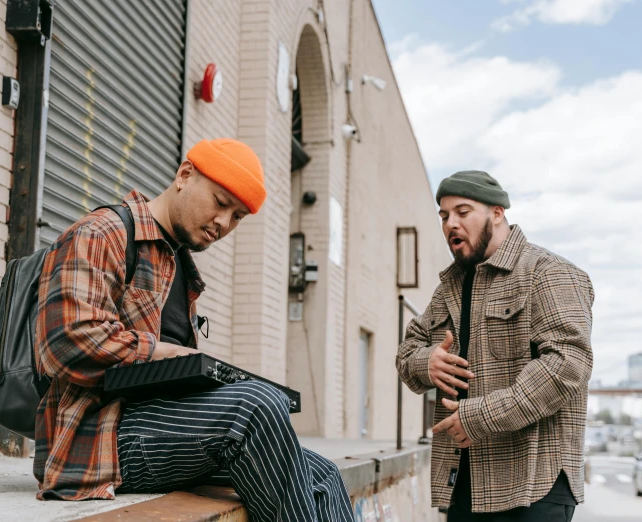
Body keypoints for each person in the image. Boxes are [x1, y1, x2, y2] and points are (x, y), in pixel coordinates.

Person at [34, 138, 355, 522]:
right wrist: (164, 352)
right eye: (221, 203)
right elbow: (65, 343)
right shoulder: (103, 233)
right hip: (95, 438)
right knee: (255, 406)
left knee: (323, 472)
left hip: (160, 428)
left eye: (237, 217)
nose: (224, 223)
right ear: (185, 175)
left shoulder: (178, 265)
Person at [396, 171, 594, 522]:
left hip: (534, 487)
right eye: (444, 216)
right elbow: (407, 350)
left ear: (497, 213)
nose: (450, 224)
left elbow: (566, 367)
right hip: (463, 486)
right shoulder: (450, 288)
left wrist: (478, 417)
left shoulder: (548, 271)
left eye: (462, 211)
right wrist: (427, 362)